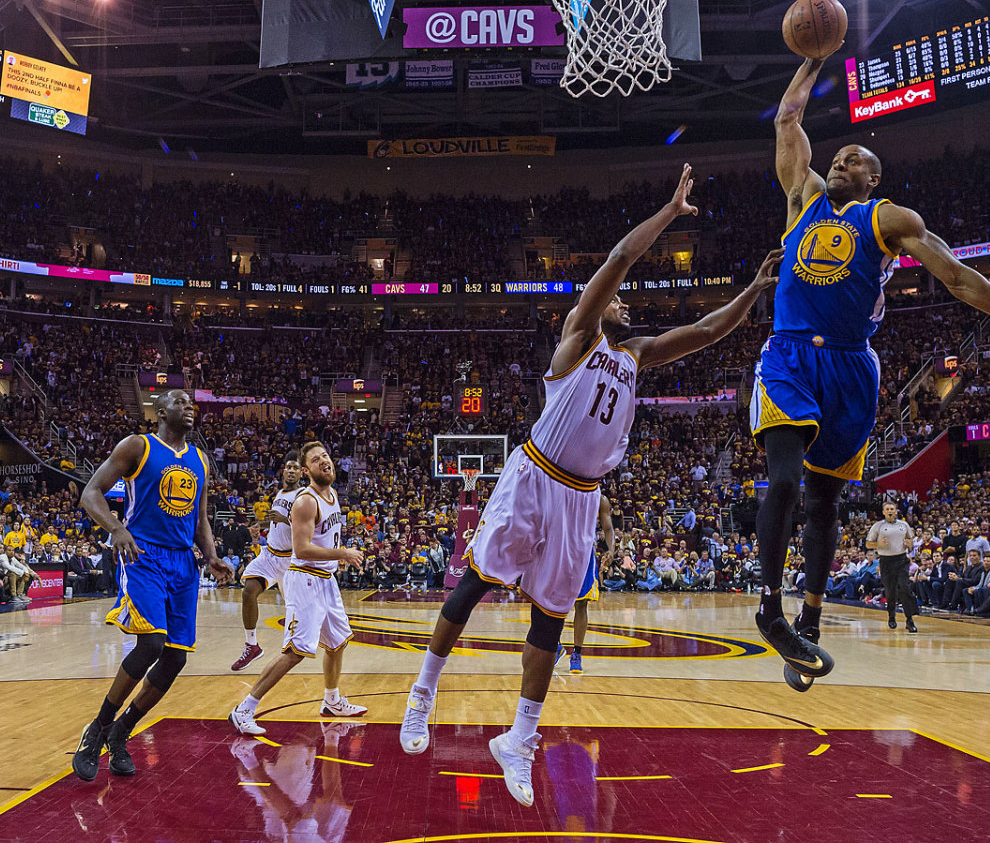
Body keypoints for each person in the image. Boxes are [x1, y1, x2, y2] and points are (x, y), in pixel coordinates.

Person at [398, 165, 779, 807]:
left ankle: (518, 739)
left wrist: (755, 290)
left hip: (582, 497)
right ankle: (422, 693)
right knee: (477, 580)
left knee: (549, 619)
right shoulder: (578, 339)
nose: (627, 305)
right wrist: (668, 211)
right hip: (534, 475)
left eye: (629, 304)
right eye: (620, 301)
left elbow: (711, 331)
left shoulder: (639, 357)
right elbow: (622, 255)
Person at [751, 54, 990, 685]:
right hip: (788, 354)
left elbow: (954, 276)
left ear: (873, 178)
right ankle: (769, 608)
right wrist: (812, 63)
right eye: (835, 157)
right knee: (782, 481)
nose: (840, 162)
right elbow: (787, 120)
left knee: (825, 499)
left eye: (854, 159)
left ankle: (809, 620)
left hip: (851, 367)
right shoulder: (800, 199)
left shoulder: (889, 220)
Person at [71, 389, 233, 782]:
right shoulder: (137, 446)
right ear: (160, 411)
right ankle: (96, 731)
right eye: (181, 403)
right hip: (143, 554)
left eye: (192, 405)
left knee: (176, 657)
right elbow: (89, 493)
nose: (190, 409)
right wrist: (116, 528)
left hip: (183, 562)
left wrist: (210, 555)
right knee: (150, 643)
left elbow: (200, 518)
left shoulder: (200, 460)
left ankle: (121, 732)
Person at [229, 442, 367, 735]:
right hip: (304, 579)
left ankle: (331, 700)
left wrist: (336, 557)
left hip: (326, 580)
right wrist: (343, 553)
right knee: (295, 652)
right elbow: (302, 550)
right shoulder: (306, 501)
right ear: (307, 471)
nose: (324, 462)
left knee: (338, 642)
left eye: (326, 456)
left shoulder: (332, 495)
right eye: (316, 460)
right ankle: (244, 709)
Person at [232, 459, 303, 671]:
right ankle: (251, 645)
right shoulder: (279, 494)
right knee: (248, 592)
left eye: (295, 468)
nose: (291, 471)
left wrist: (284, 519)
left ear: (302, 472)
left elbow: (309, 528)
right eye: (288, 467)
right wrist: (261, 526)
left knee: (297, 610)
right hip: (271, 556)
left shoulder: (303, 496)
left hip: (292, 561)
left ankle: (298, 650)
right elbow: (278, 524)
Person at [562, 494, 614, 674]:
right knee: (555, 603)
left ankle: (576, 653)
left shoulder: (601, 499)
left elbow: (608, 528)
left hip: (585, 554)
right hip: (561, 550)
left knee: (581, 603)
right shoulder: (564, 490)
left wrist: (611, 550)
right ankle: (553, 645)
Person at [867, 502, 918, 632]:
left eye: (892, 509)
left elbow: (910, 542)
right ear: (883, 512)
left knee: (905, 588)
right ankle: (891, 616)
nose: (890, 511)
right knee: (890, 591)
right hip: (886, 561)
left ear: (896, 511)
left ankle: (909, 620)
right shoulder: (878, 526)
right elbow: (868, 544)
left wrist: (909, 544)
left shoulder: (904, 524)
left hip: (901, 559)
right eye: (887, 509)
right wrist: (879, 544)